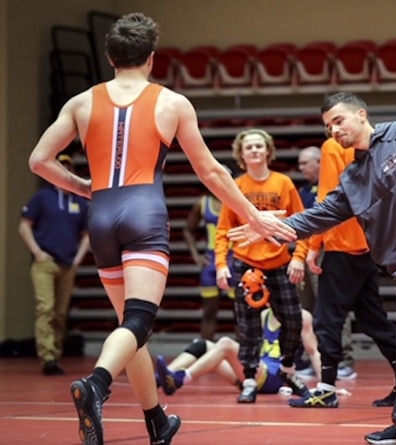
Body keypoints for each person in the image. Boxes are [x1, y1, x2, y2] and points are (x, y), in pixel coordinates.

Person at [26, 12, 295, 445]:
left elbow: (39, 160)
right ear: (151, 58)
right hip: (144, 212)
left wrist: (84, 187)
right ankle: (96, 384)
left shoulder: (80, 102)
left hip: (101, 212)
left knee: (128, 327)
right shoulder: (171, 102)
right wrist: (253, 215)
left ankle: (156, 421)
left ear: (110, 57)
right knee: (137, 320)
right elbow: (210, 172)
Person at [229, 92, 396, 444]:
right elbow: (319, 215)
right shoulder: (354, 176)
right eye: (327, 126)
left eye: (338, 120)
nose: (334, 130)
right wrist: (265, 226)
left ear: (361, 115)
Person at [288, 136, 396, 409]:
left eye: (336, 122)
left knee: (327, 320)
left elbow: (328, 196)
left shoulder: (332, 146)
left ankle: (326, 389)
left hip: (342, 247)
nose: (333, 129)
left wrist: (314, 245)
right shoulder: (376, 146)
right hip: (367, 246)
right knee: (375, 322)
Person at [214, 128, 311, 405]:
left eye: (259, 146)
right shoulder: (236, 187)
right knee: (249, 327)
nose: (255, 150)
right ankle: (248, 379)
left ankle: (288, 370)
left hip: (280, 262)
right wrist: (221, 264)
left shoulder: (284, 183)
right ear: (241, 154)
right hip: (246, 265)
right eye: (249, 147)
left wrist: (299, 256)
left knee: (293, 320)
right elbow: (223, 230)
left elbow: (305, 223)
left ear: (268, 150)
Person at [18, 153, 90, 376]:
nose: (64, 170)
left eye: (68, 167)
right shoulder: (42, 197)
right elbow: (24, 225)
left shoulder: (79, 202)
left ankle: (55, 354)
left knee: (60, 313)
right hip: (45, 262)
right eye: (61, 166)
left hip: (68, 263)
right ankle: (47, 356)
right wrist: (37, 252)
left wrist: (78, 258)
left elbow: (87, 234)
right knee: (45, 307)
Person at [294, 144, 358, 381]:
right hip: (305, 253)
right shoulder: (303, 192)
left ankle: (344, 359)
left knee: (333, 307)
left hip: (329, 251)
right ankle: (316, 357)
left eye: (304, 163)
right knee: (310, 311)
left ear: (319, 162)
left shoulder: (334, 187)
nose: (301, 168)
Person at [154, 307, 321, 396]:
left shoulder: (302, 316)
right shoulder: (264, 315)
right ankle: (161, 379)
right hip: (252, 374)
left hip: (272, 376)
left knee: (226, 343)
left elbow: (313, 351)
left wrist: (326, 386)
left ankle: (179, 380)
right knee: (202, 345)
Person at [182, 187, 234, 341]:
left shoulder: (236, 201)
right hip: (211, 262)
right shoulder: (203, 203)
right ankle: (205, 352)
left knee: (240, 313)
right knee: (209, 312)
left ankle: (244, 358)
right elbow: (188, 230)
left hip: (233, 260)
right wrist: (196, 255)